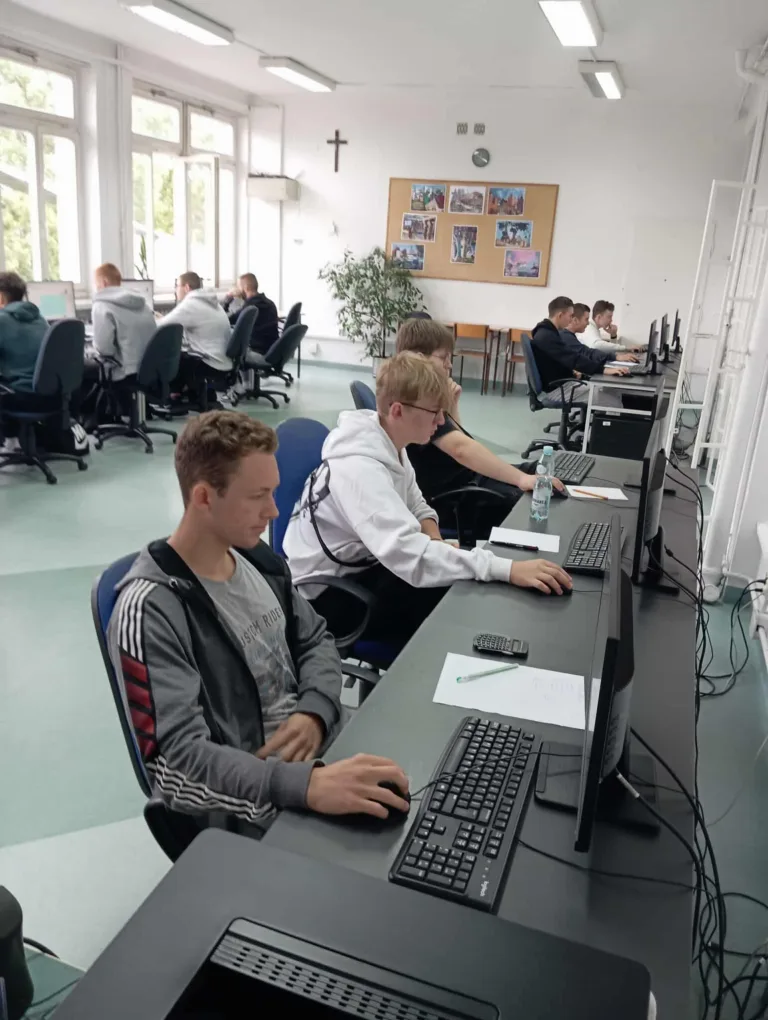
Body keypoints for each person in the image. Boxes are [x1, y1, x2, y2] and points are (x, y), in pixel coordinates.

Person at [107, 410, 410, 832]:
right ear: (204, 497)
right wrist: (304, 785)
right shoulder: (151, 610)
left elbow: (315, 639)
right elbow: (178, 766)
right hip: (260, 798)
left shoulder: (257, 559)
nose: (273, 510)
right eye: (258, 496)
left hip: (325, 744)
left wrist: (315, 711)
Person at [283, 352, 572, 647]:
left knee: (464, 583)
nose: (441, 420)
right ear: (398, 410)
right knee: (459, 606)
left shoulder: (390, 443)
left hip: (367, 562)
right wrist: (507, 569)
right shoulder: (359, 471)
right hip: (329, 598)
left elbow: (418, 506)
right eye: (434, 412)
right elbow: (412, 556)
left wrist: (435, 541)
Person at [395, 317, 564, 534]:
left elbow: (457, 439)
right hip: (457, 499)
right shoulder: (417, 402)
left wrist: (452, 406)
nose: (449, 364)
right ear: (419, 357)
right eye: (443, 357)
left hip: (467, 479)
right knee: (535, 498)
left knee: (539, 471)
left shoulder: (422, 394)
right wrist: (521, 479)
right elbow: (461, 449)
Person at [531, 296, 630, 409]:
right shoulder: (547, 336)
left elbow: (564, 359)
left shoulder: (548, 332)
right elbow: (574, 359)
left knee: (610, 391)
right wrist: (604, 370)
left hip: (563, 384)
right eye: (570, 316)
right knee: (615, 403)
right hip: (560, 390)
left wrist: (574, 373)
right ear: (560, 315)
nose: (571, 320)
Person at [0, 271, 49, 449]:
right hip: (51, 395)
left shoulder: (2, 320)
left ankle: (10, 441)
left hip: (21, 396)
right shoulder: (40, 319)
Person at [89, 263, 156, 381]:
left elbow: (105, 350)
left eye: (96, 284)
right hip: (150, 369)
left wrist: (91, 349)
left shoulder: (101, 305)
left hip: (125, 372)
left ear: (104, 283)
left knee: (86, 366)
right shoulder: (142, 303)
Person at [164, 270, 232, 378]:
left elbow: (162, 326)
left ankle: (171, 389)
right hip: (222, 361)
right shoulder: (209, 301)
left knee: (167, 361)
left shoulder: (192, 303)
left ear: (186, 287)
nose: (175, 290)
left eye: (177, 286)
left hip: (211, 364)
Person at [222, 272, 279, 355]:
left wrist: (228, 299)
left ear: (246, 287)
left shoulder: (249, 307)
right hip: (272, 349)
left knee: (226, 336)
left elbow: (227, 320)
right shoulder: (270, 303)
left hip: (256, 351)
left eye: (238, 286)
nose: (237, 289)